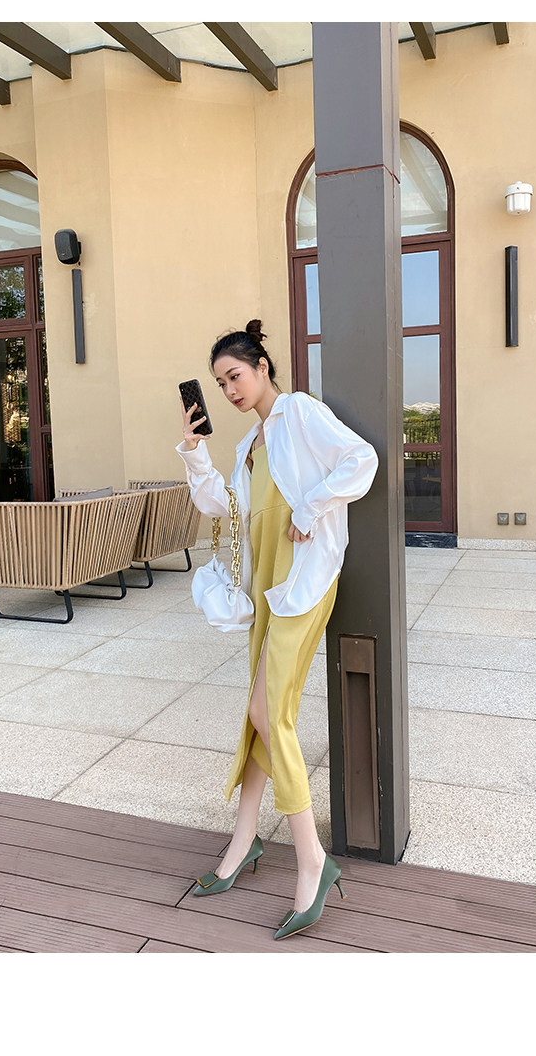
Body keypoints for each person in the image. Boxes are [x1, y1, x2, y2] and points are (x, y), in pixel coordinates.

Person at [176, 319, 378, 941]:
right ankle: (244, 844)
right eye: (220, 384)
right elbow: (222, 505)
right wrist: (193, 450)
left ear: (263, 367)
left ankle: (312, 860)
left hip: (302, 585)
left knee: (268, 713)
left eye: (235, 376)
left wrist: (311, 508)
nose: (230, 390)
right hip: (265, 587)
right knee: (263, 713)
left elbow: (362, 459)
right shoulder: (248, 444)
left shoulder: (298, 413)